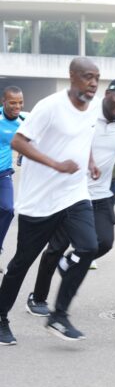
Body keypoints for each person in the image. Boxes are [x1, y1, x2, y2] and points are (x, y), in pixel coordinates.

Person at [0, 57, 101, 345]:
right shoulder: (50, 106)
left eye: (96, 77)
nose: (93, 83)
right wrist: (55, 164)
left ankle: (59, 315)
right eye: (87, 77)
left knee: (89, 246)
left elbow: (86, 135)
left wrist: (90, 161)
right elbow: (19, 141)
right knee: (21, 263)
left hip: (74, 194)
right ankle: (0, 317)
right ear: (71, 76)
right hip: (40, 200)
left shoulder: (93, 105)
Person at [25, 79, 115, 317]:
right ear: (107, 94)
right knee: (55, 247)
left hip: (101, 192)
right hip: (71, 191)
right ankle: (38, 297)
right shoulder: (85, 112)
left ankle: (70, 262)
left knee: (104, 242)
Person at [0, 87, 26, 268]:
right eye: (13, 102)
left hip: (3, 174)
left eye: (20, 102)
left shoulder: (24, 122)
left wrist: (23, 155)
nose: (17, 106)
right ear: (3, 102)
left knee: (8, 210)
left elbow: (32, 140)